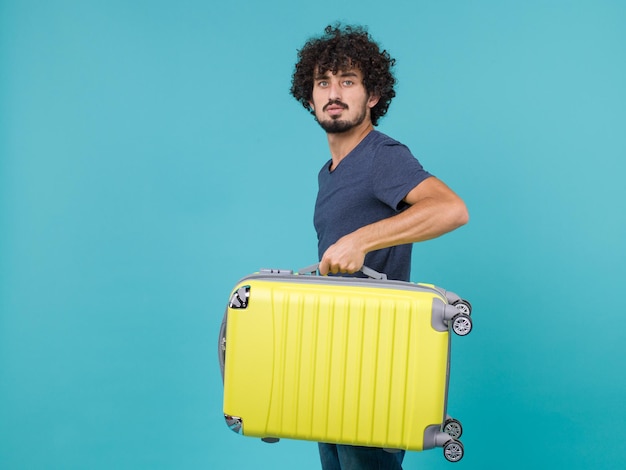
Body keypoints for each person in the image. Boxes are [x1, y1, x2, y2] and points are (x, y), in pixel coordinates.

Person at [289, 24, 469, 470]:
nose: (334, 92)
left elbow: (451, 209)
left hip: (373, 362)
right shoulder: (329, 171)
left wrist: (361, 240)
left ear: (372, 96)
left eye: (348, 81)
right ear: (309, 97)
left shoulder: (380, 155)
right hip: (331, 359)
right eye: (323, 82)